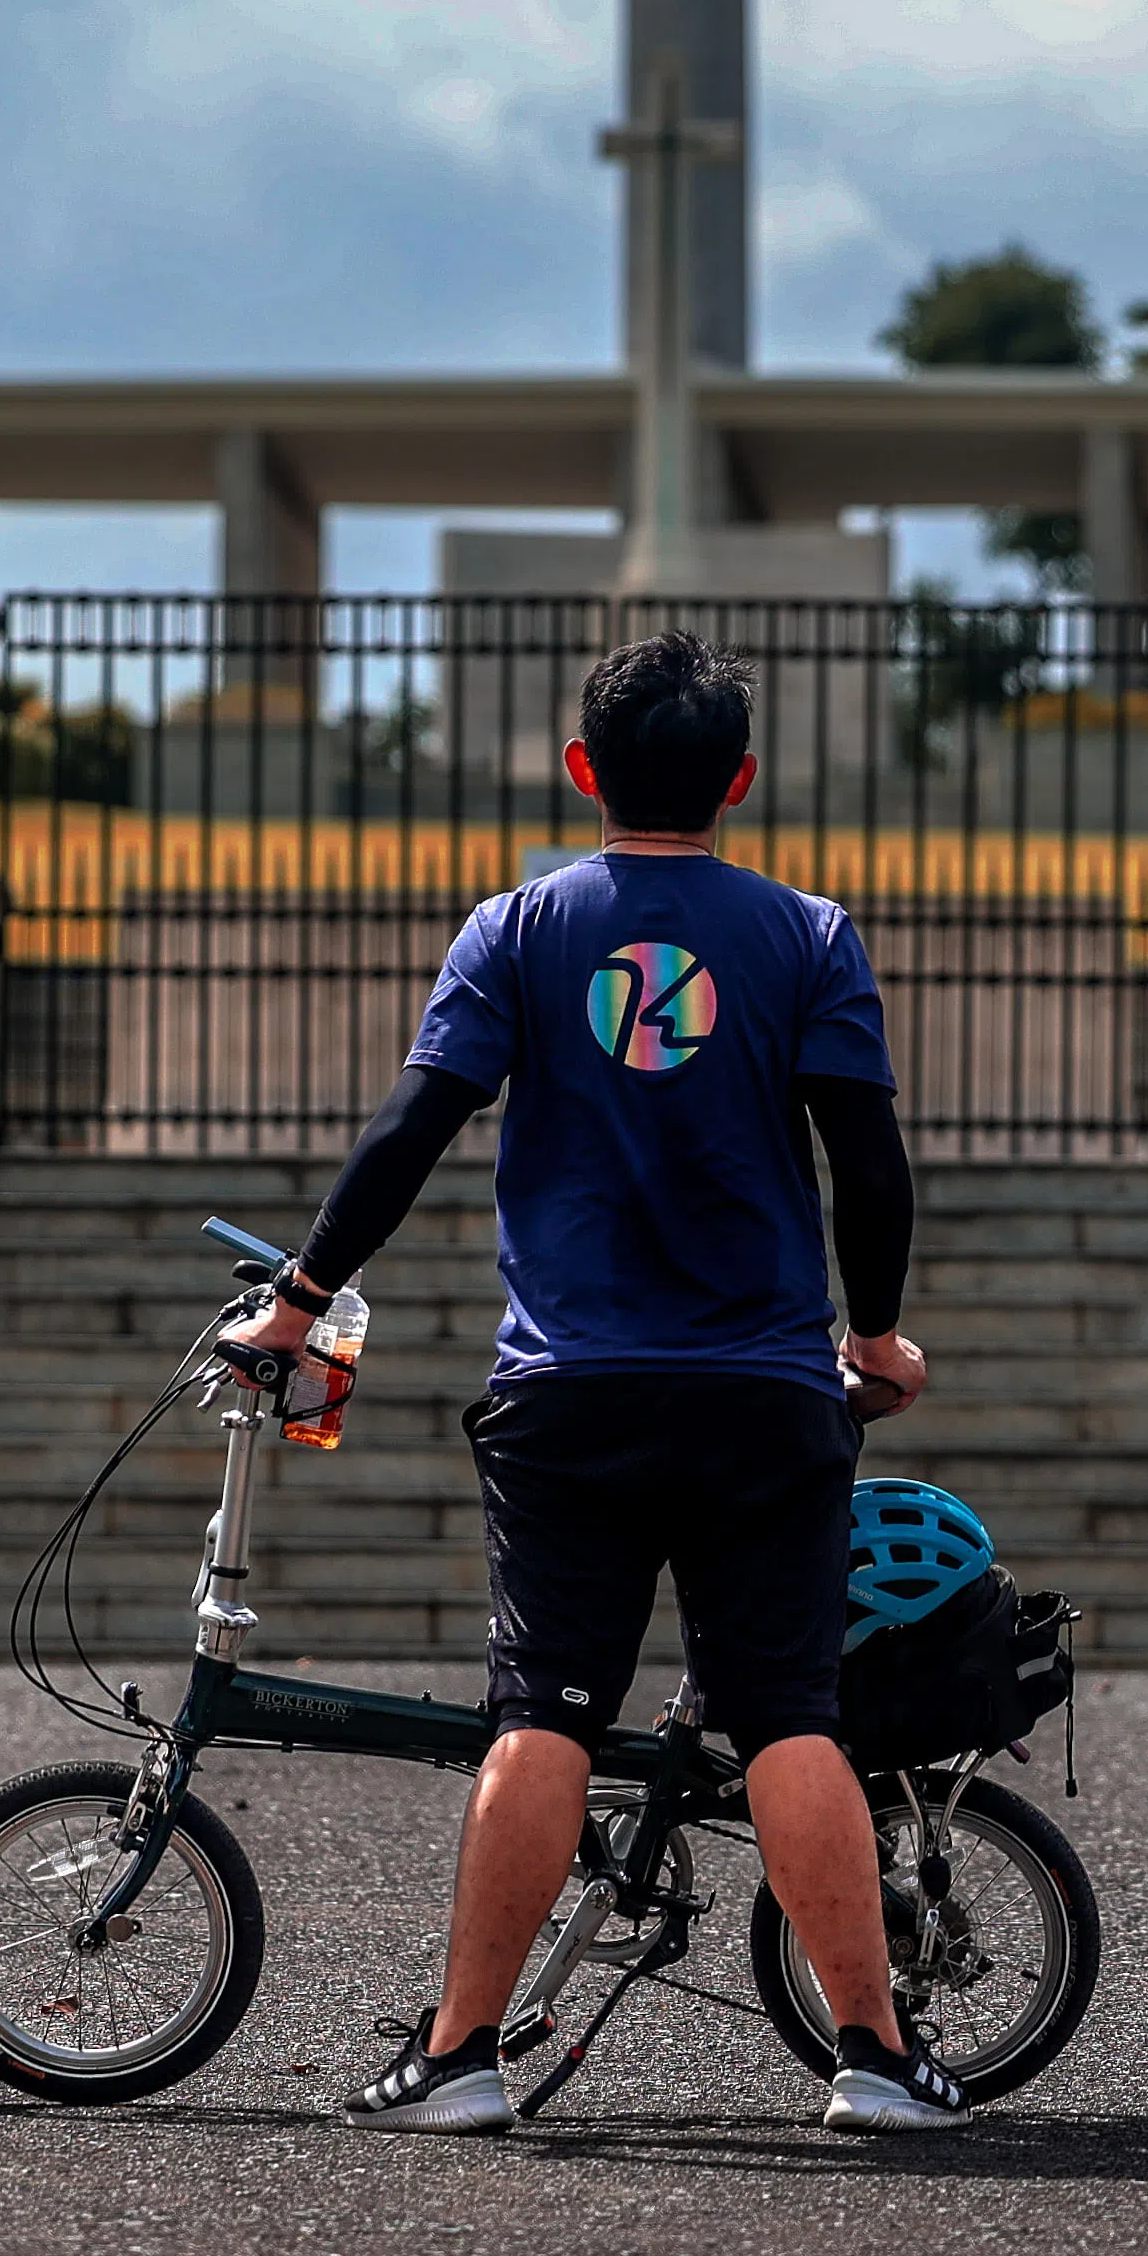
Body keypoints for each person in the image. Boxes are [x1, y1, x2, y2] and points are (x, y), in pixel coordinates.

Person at [218, 627, 951, 2137]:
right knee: (789, 1717)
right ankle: (876, 2059)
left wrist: (299, 1302)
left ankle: (461, 2056)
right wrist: (874, 1338)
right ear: (739, 780)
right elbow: (869, 1165)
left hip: (571, 1392)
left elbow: (410, 1133)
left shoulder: (517, 930)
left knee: (542, 1712)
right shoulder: (809, 936)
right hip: (762, 1390)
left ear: (579, 771)